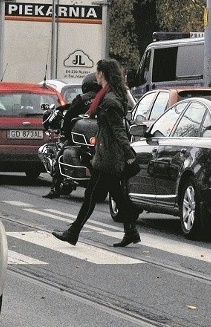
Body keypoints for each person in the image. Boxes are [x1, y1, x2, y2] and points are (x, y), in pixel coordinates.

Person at [51, 58, 141, 247]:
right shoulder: (110, 95)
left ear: (102, 75)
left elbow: (118, 131)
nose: (97, 76)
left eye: (98, 73)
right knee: (117, 194)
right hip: (107, 153)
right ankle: (131, 231)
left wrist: (129, 154)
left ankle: (73, 232)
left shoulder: (109, 101)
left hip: (108, 157)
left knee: (90, 196)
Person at [42, 75, 102, 199]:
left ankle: (55, 188)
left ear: (85, 86)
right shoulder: (103, 98)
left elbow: (69, 116)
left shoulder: (82, 99)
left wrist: (65, 131)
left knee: (59, 157)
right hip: (101, 138)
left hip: (81, 138)